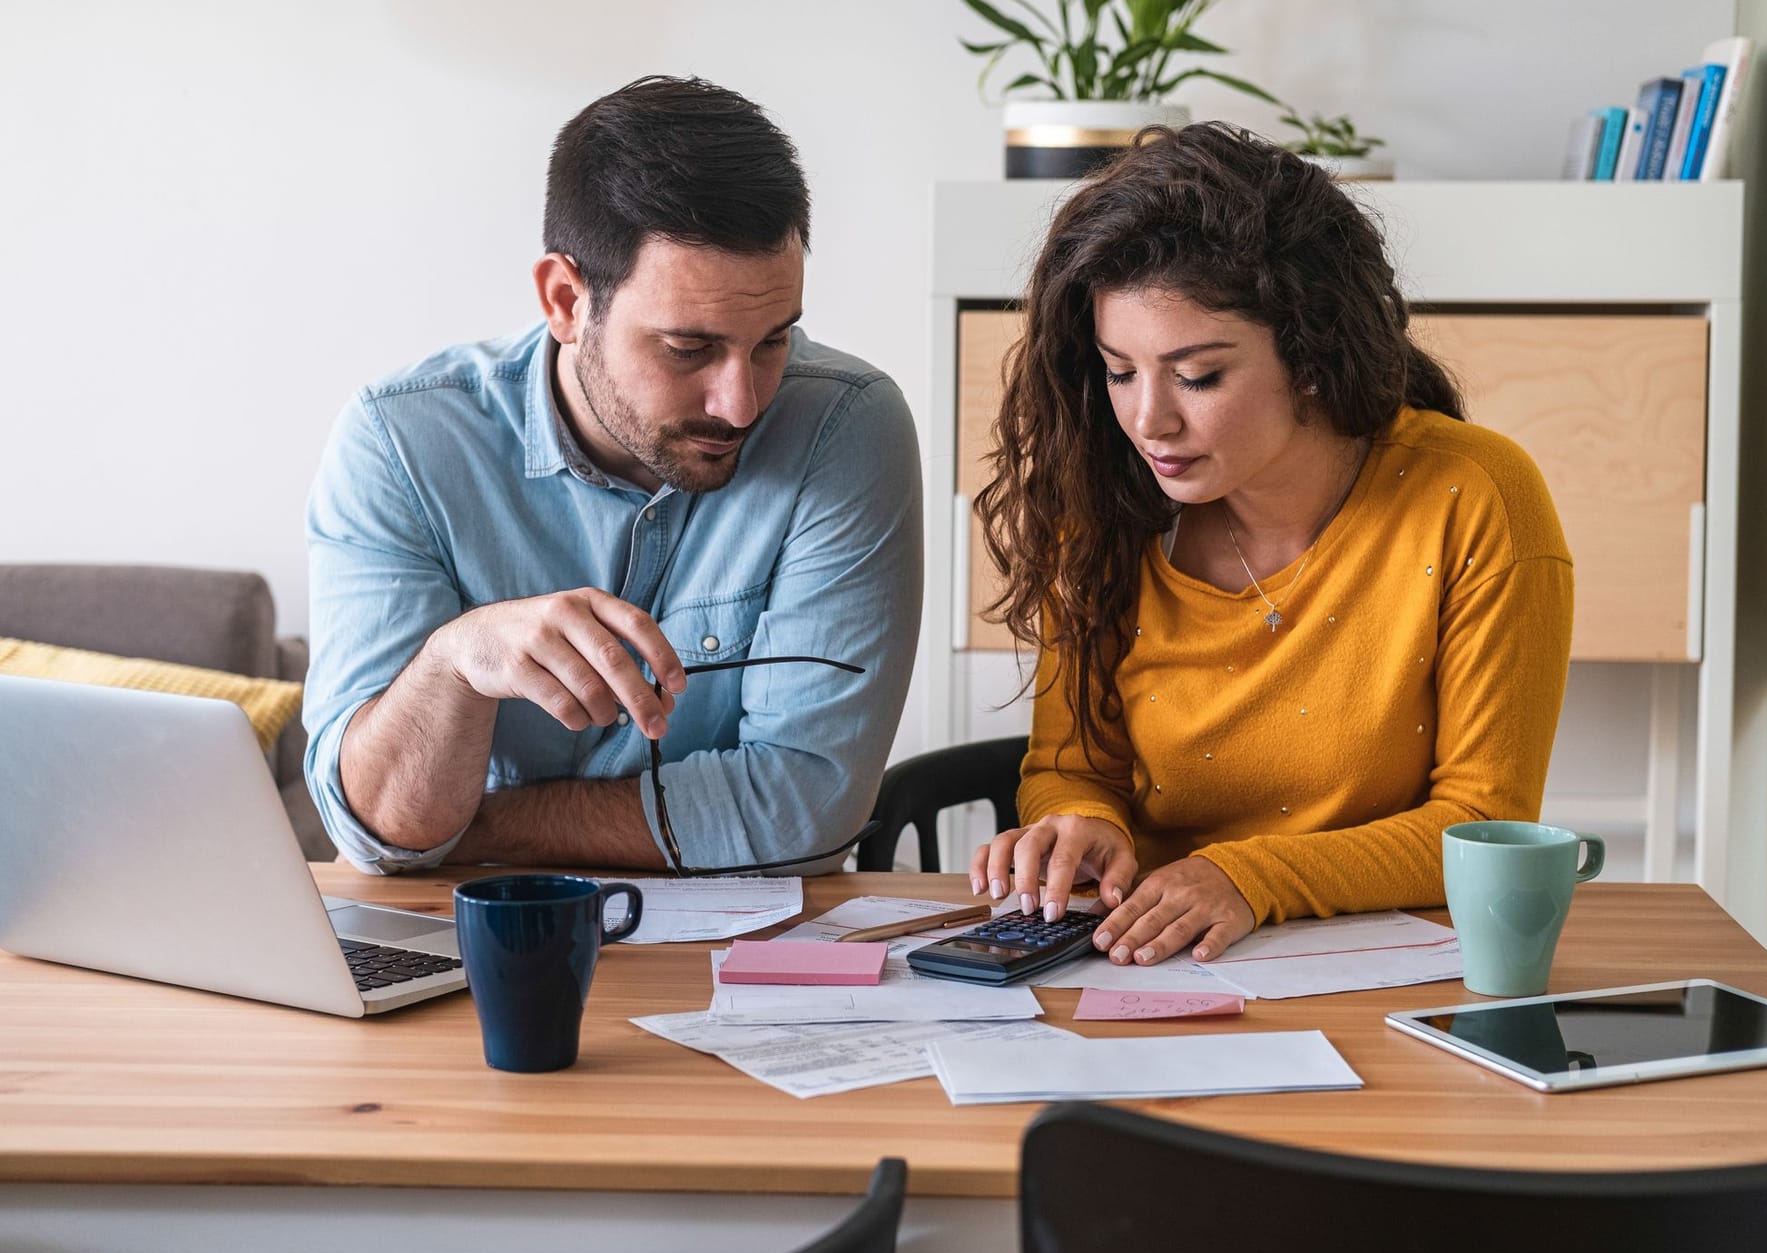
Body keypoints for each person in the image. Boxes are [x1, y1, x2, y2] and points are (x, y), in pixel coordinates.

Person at [969, 123, 1573, 965]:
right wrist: (1083, 826)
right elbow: (1072, 767)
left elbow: (1480, 823)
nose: (1149, 420)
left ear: (1312, 354)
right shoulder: (1102, 503)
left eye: (1198, 376)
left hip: (1382, 974)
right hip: (1145, 961)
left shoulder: (1475, 497)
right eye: (1120, 371)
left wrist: (1249, 878)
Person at [303, 76, 921, 876]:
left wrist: (471, 830)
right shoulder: (400, 444)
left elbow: (805, 811)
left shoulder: (845, 427)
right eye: (688, 349)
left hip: (740, 968)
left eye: (773, 341)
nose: (740, 405)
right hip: (469, 950)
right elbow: (378, 826)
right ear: (565, 299)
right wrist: (456, 662)